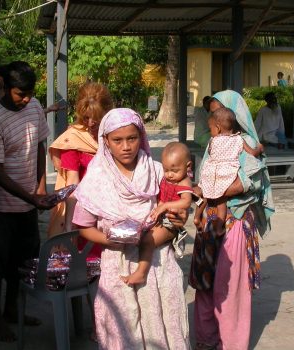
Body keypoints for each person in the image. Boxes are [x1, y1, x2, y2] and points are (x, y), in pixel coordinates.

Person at [72, 108, 190, 349]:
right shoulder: (95, 180)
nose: (126, 146)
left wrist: (173, 225)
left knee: (163, 328)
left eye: (132, 138)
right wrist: (110, 241)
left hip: (159, 264)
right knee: (124, 333)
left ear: (141, 137)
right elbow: (84, 227)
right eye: (117, 140)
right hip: (118, 266)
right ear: (105, 141)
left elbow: (177, 213)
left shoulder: (158, 172)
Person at [189, 90, 275, 350]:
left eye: (217, 111)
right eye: (211, 112)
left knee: (230, 288)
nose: (213, 117)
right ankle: (206, 339)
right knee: (205, 282)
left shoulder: (244, 143)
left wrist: (208, 191)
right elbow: (206, 174)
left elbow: (243, 185)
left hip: (234, 222)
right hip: (209, 220)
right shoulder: (215, 142)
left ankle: (231, 343)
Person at [0, 61, 54, 342]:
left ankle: (11, 311)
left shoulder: (35, 106)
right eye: (20, 94)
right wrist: (32, 197)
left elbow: (40, 146)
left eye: (30, 92)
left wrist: (40, 187)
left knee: (23, 263)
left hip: (28, 204)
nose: (26, 98)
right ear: (6, 88)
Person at [120, 141, 194, 286]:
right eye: (166, 170)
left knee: (148, 241)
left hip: (171, 223)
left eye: (174, 170)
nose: (169, 175)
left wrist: (164, 206)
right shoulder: (168, 178)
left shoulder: (184, 183)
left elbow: (186, 202)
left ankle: (141, 272)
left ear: (188, 166)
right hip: (161, 217)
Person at [48, 82, 114, 237]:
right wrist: (69, 223)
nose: (91, 123)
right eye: (86, 118)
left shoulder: (118, 135)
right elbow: (72, 184)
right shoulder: (73, 139)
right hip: (83, 211)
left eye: (97, 118)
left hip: (113, 208)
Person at [195, 107, 264, 236]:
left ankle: (196, 216)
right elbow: (253, 153)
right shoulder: (239, 139)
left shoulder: (212, 141)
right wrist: (259, 149)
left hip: (210, 172)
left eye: (211, 129)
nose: (210, 132)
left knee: (205, 193)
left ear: (218, 127)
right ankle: (219, 225)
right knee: (221, 200)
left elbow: (210, 154)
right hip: (226, 174)